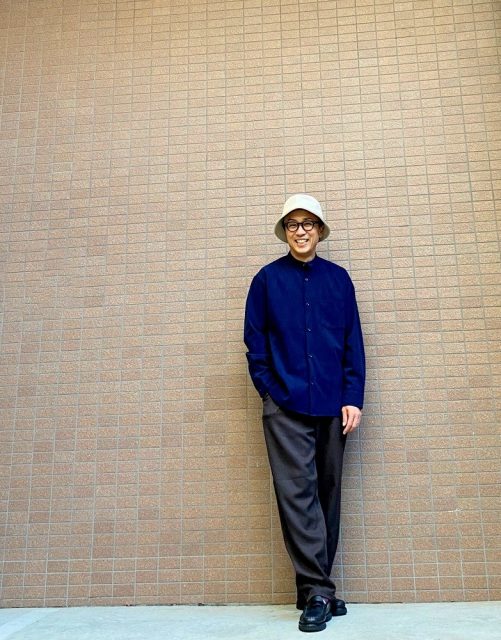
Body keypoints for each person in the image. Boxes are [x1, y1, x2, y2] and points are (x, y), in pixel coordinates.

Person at [244, 194, 365, 633]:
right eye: (292, 224)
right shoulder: (266, 280)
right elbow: (255, 344)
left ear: (319, 230)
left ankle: (315, 589)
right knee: (297, 495)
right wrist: (270, 392)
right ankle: (318, 590)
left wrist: (353, 396)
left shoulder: (339, 280)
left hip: (333, 403)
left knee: (327, 493)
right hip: (286, 405)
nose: (300, 231)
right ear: (284, 231)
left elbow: (352, 342)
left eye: (308, 223)